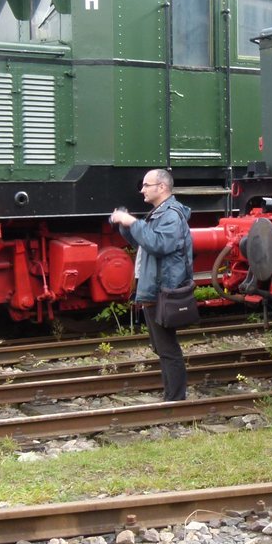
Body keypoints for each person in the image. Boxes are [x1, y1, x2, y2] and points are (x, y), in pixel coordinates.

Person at [110, 169, 193, 403]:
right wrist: (126, 226)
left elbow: (159, 244)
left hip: (163, 290)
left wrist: (132, 222)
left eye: (147, 185)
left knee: (167, 348)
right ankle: (172, 395)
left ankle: (175, 399)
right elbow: (145, 241)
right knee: (160, 346)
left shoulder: (171, 215)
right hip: (155, 289)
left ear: (162, 187)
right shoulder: (159, 213)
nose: (142, 189)